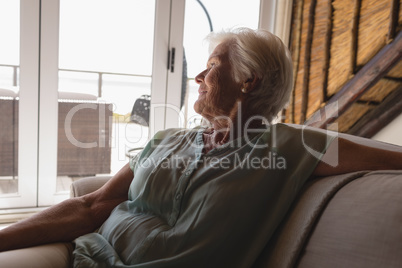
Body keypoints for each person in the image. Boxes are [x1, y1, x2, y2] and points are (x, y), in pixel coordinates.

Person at [0, 28, 401, 267]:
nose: (198, 76)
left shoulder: (293, 146)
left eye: (212, 64)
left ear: (248, 80)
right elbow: (93, 207)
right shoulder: (166, 139)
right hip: (82, 256)